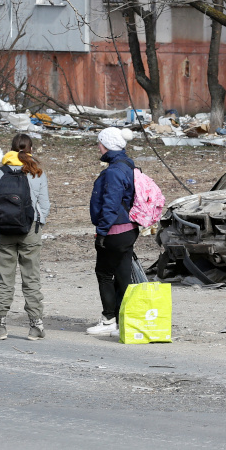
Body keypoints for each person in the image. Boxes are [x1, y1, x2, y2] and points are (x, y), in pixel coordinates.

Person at [0, 134, 51, 341]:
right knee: (31, 277)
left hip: (4, 231)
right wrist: (38, 223)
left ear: (11, 149)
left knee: (4, 277)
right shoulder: (36, 172)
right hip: (30, 230)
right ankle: (35, 325)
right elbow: (44, 204)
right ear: (30, 149)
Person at [86, 127, 137, 336]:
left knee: (105, 274)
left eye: (100, 143)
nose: (99, 147)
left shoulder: (114, 171)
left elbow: (111, 204)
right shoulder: (127, 165)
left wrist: (102, 231)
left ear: (106, 145)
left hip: (114, 231)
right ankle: (124, 321)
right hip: (129, 229)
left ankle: (108, 320)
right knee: (123, 276)